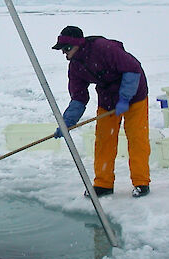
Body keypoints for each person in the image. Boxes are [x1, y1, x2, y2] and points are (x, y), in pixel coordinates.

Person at [52, 25, 151, 198]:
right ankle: (103, 184)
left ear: (78, 45)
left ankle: (141, 182)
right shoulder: (75, 66)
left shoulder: (103, 48)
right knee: (104, 140)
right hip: (108, 100)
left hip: (135, 95)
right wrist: (67, 122)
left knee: (137, 138)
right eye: (62, 50)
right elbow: (79, 97)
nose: (64, 54)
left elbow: (133, 69)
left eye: (66, 48)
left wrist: (125, 98)